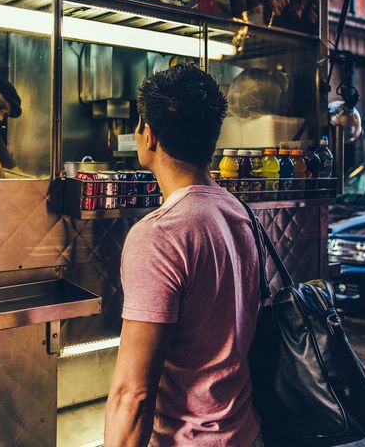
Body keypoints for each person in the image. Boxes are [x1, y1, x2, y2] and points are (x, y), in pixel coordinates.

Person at [104, 64, 262, 447]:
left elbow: (133, 395)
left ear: (150, 135)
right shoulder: (239, 213)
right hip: (245, 433)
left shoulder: (160, 234)